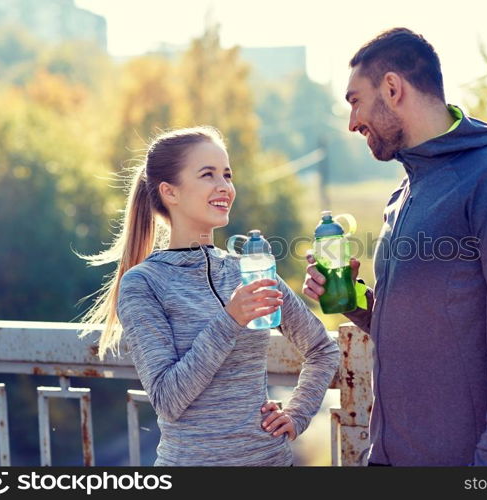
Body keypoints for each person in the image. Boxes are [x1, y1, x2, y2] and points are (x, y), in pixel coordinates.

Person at [303, 28, 487, 466]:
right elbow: (416, 327)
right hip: (386, 456)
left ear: (392, 88)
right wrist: (350, 296)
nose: (352, 122)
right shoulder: (404, 194)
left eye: (355, 100)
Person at [80, 126, 339, 466]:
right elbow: (168, 399)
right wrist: (230, 320)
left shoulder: (250, 270)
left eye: (227, 175)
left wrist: (297, 413)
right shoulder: (143, 284)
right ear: (169, 192)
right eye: (208, 175)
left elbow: (322, 349)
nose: (225, 187)